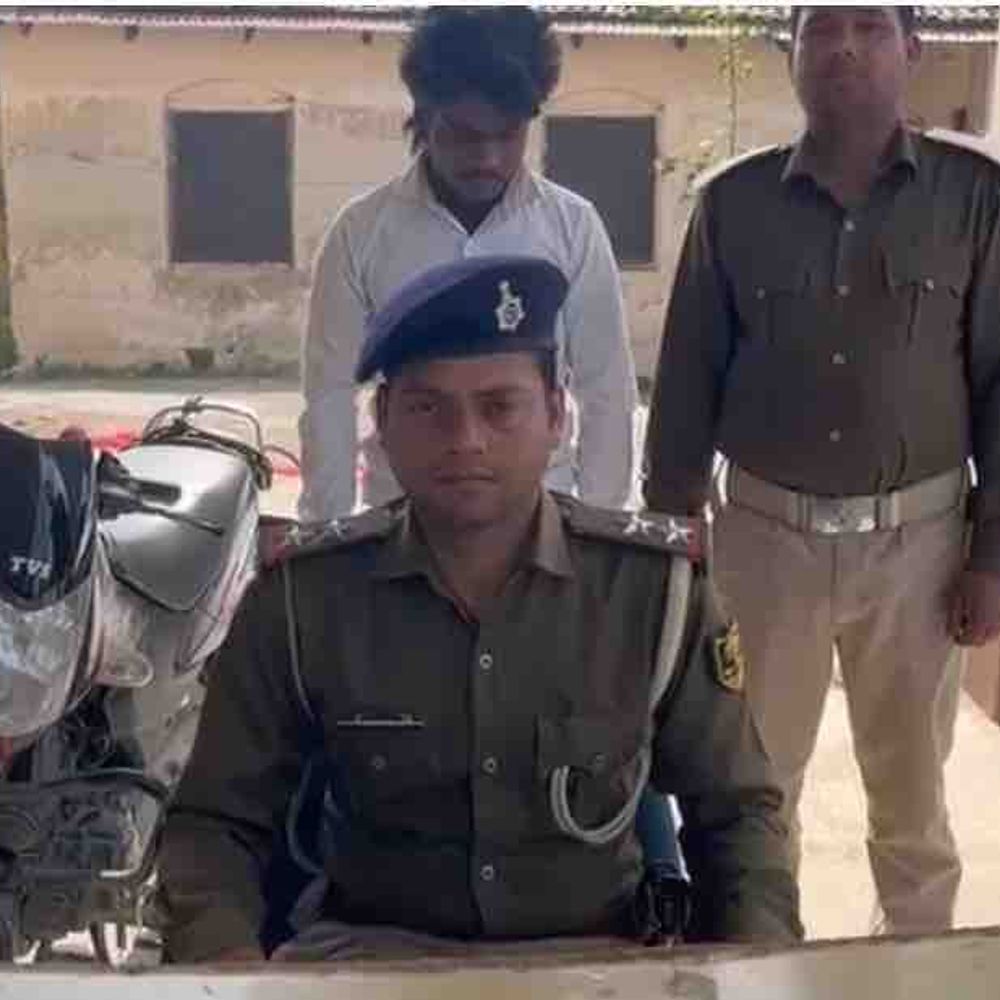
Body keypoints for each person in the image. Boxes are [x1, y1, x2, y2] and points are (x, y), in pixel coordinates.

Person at [158, 255, 801, 963]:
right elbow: (215, 824)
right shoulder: (301, 602)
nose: (465, 439)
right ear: (383, 422)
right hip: (369, 961)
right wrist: (226, 967)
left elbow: (737, 816)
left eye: (499, 407)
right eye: (428, 408)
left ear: (556, 416)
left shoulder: (655, 595)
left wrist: (753, 972)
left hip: (592, 962)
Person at [643, 5, 1000, 935]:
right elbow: (686, 382)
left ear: (913, 49)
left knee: (913, 809)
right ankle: (762, 968)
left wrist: (990, 556)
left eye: (870, 27)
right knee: (753, 794)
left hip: (920, 551)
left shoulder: (974, 198)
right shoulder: (732, 204)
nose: (844, 46)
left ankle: (912, 977)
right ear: (790, 51)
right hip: (764, 545)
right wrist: (674, 546)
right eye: (821, 28)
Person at [297, 6, 638, 521]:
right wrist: (329, 532)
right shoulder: (361, 233)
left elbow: (606, 388)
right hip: (402, 521)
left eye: (508, 134)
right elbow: (329, 394)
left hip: (540, 518)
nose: (489, 158)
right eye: (464, 134)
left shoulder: (573, 228)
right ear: (423, 118)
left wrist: (598, 528)